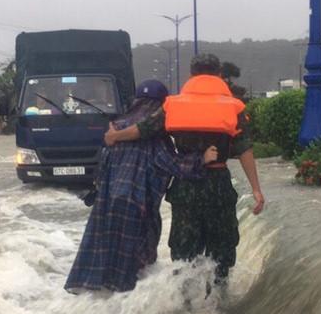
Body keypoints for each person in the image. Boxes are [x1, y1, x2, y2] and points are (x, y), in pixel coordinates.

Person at [104, 53, 265, 283]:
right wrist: (256, 189)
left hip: (185, 185)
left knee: (184, 253)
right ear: (219, 74)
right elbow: (245, 150)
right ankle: (219, 304)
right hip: (218, 184)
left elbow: (143, 129)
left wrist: (115, 136)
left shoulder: (173, 105)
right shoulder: (235, 108)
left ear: (192, 75)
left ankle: (186, 307)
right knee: (221, 249)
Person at [65, 80, 217, 293]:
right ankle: (132, 309)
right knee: (135, 271)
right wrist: (202, 158)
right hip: (137, 207)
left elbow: (101, 171)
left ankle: (98, 303)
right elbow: (173, 164)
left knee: (104, 258)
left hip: (106, 206)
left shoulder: (115, 129)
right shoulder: (156, 137)